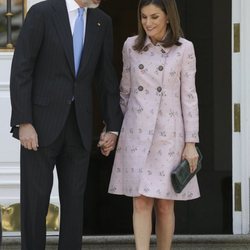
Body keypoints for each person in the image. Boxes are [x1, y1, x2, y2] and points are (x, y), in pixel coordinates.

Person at [9, 0, 122, 249]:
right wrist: (24, 121)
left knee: (73, 206)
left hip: (80, 127)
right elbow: (21, 69)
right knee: (35, 204)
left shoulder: (102, 21)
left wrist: (112, 126)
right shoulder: (42, 13)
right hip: (39, 126)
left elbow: (106, 76)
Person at [105, 0, 200, 249]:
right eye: (144, 17)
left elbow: (189, 97)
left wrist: (191, 143)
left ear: (169, 17)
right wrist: (113, 129)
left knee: (165, 204)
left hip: (169, 134)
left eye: (154, 17)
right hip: (136, 133)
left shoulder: (184, 49)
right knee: (140, 201)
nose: (148, 23)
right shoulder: (131, 46)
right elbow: (124, 92)